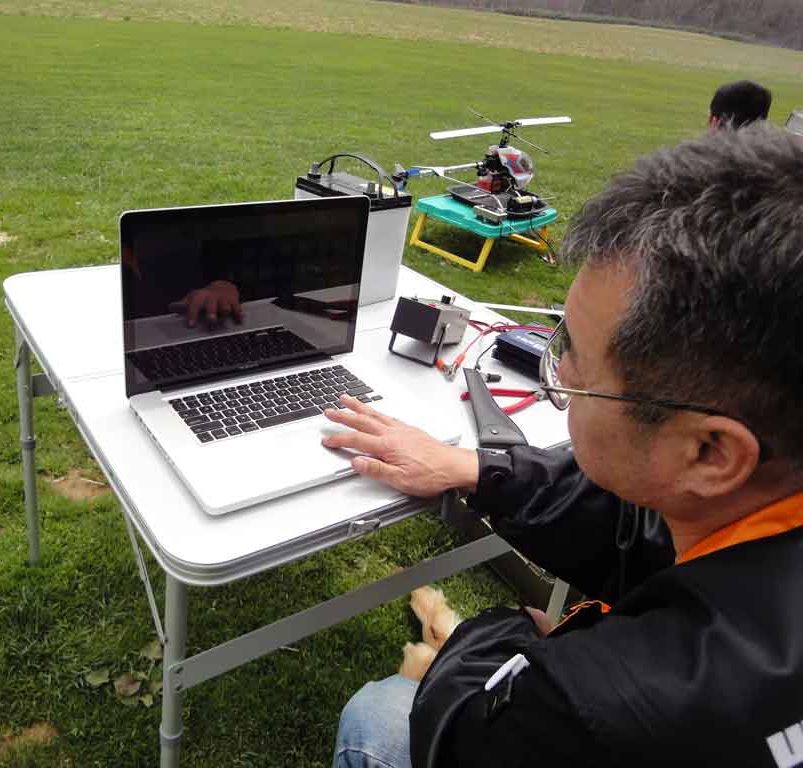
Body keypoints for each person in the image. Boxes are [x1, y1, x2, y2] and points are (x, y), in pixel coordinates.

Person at [323, 126, 803, 767]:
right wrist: (477, 469)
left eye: (573, 356)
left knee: (378, 714)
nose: (561, 373)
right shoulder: (761, 499)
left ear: (710, 453)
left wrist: (515, 635)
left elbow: (468, 725)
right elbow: (640, 531)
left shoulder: (599, 706)